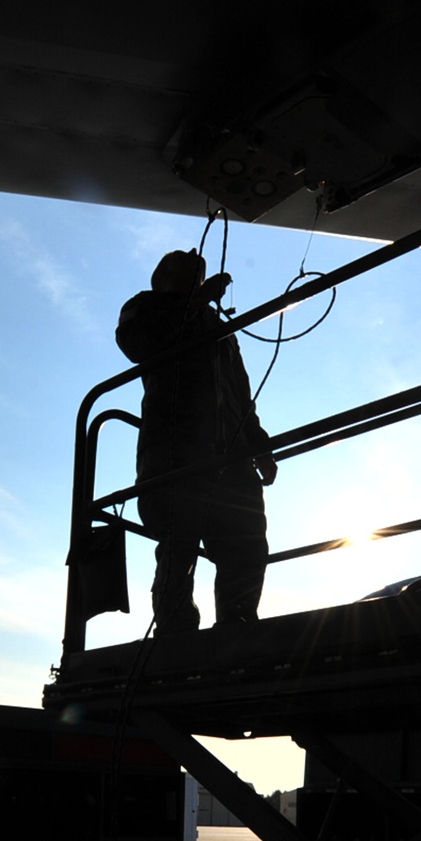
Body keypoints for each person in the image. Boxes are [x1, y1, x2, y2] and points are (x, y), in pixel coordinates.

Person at [116, 249, 278, 634]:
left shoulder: (216, 325)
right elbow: (140, 345)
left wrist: (259, 443)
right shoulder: (144, 307)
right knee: (178, 549)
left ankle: (238, 625)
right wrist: (199, 299)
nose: (193, 253)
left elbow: (240, 391)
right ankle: (175, 633)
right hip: (175, 459)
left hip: (233, 463)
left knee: (247, 547)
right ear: (164, 275)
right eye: (182, 259)